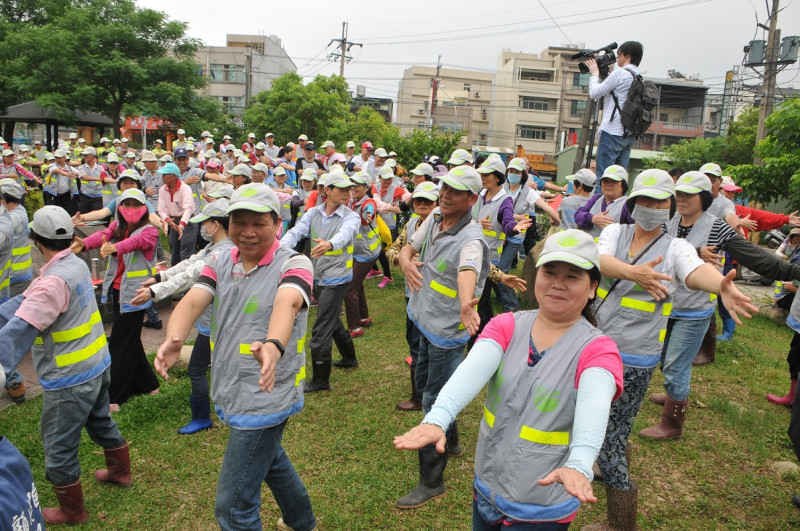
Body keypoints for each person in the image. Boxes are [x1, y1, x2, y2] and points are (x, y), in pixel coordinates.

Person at [395, 229, 623, 528]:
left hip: (543, 503)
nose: (557, 283)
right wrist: (438, 417)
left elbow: (594, 406)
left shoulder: (598, 350)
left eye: (572, 276)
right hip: (487, 486)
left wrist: (580, 463)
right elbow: (470, 371)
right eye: (549, 272)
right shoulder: (506, 325)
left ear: (593, 287)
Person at [587, 169, 758, 528]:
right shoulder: (614, 232)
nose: (650, 207)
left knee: (610, 438)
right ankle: (613, 459)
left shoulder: (676, 247)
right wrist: (637, 274)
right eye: (643, 201)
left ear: (670, 206)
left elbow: (695, 271)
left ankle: (621, 522)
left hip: (636, 358)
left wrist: (721, 287)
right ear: (632, 204)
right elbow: (598, 261)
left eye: (659, 201)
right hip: (598, 347)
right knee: (606, 423)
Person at [155, 183, 317, 531]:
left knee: (233, 509)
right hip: (232, 387)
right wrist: (175, 336)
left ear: (278, 223)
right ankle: (302, 523)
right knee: (271, 460)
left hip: (266, 395)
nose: (247, 232)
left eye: (258, 223)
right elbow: (194, 299)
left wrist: (273, 345)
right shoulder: (220, 259)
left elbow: (286, 301)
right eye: (238, 222)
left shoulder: (295, 263)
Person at [640, 171, 800, 439]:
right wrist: (697, 250)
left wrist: (794, 272)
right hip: (666, 305)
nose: (681, 199)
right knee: (667, 360)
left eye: (688, 194)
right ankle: (672, 394)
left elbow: (756, 258)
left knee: (676, 364)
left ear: (703, 197)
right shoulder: (668, 220)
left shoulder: (716, 226)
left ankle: (672, 424)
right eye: (678, 193)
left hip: (694, 309)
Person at [0, 205, 131, 525]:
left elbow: (18, 333)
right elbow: (28, 300)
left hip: (70, 380)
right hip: (98, 365)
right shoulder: (75, 265)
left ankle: (72, 511)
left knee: (58, 447)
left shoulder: (51, 283)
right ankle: (120, 472)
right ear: (70, 237)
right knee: (100, 421)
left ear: (34, 240)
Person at [396, 165, 489, 509]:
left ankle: (431, 481)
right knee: (427, 386)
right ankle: (452, 442)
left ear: (471, 199)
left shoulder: (472, 239)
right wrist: (406, 261)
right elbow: (411, 247)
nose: (445, 194)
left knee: (434, 397)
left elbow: (468, 268)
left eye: (455, 191)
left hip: (447, 330)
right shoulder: (435, 215)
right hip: (423, 315)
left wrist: (467, 303)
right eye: (444, 188)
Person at [132, 200, 235, 433]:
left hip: (219, 326)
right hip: (211, 325)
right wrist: (160, 278)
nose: (202, 228)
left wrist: (154, 291)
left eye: (205, 223)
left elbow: (191, 275)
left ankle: (206, 417)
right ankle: (210, 415)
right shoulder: (213, 248)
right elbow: (189, 264)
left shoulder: (223, 252)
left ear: (216, 225)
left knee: (201, 369)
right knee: (210, 368)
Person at [72, 188, 160, 410]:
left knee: (120, 342)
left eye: (135, 205)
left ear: (144, 208)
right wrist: (84, 244)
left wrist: (115, 247)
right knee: (130, 339)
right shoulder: (118, 226)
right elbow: (102, 236)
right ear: (120, 207)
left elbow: (135, 243)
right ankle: (148, 384)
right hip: (118, 291)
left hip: (137, 294)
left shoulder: (150, 231)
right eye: (126, 205)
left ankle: (115, 395)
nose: (131, 209)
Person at [280, 172, 360, 390]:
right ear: (327, 190)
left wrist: (330, 244)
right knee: (331, 319)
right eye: (341, 189)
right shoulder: (312, 213)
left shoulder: (351, 217)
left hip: (338, 279)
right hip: (320, 276)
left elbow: (345, 234)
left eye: (348, 189)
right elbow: (296, 232)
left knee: (321, 328)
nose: (347, 193)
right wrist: (278, 248)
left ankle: (320, 381)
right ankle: (349, 358)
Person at [473, 155, 531, 332]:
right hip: (471, 252)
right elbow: (468, 216)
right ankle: (488, 331)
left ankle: (484, 335)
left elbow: (507, 222)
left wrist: (514, 227)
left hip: (490, 258)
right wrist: (476, 222)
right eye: (481, 173)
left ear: (498, 177)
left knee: (481, 299)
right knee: (479, 299)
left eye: (487, 174)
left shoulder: (505, 201)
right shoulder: (478, 194)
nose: (482, 178)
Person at [498, 157, 559, 312]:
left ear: (523, 174)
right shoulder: (501, 188)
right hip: (499, 236)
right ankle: (503, 298)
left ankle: (512, 305)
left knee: (501, 270)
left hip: (515, 238)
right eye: (511, 171)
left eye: (517, 172)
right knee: (494, 269)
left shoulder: (528, 192)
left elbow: (545, 206)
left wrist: (557, 219)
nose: (513, 174)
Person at [586, 41, 644, 182]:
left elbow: (594, 93)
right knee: (619, 179)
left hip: (612, 132)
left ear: (627, 55)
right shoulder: (638, 76)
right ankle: (619, 204)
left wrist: (594, 74)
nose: (617, 57)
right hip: (628, 133)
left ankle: (602, 204)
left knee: (604, 178)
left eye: (619, 54)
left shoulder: (620, 74)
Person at [344, 172, 381, 340]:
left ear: (366, 187)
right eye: (352, 185)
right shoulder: (352, 202)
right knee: (357, 285)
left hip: (367, 253)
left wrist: (368, 215)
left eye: (357, 185)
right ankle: (364, 318)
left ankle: (355, 327)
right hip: (359, 252)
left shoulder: (368, 203)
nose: (353, 188)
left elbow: (369, 212)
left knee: (350, 287)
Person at [574, 165, 634, 239]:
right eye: (605, 181)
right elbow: (578, 215)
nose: (608, 184)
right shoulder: (596, 198)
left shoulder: (627, 205)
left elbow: (634, 229)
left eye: (614, 181)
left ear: (623, 185)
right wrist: (592, 218)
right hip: (589, 246)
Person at [157, 162, 196, 266]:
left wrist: (182, 225)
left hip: (188, 221)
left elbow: (188, 208)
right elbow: (161, 209)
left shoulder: (185, 188)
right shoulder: (162, 189)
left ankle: (186, 275)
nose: (162, 177)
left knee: (186, 249)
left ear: (173, 176)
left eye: (165, 175)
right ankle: (174, 274)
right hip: (173, 221)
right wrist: (168, 220)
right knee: (174, 247)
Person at [0, 179, 33, 298]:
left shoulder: (14, 218)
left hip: (15, 276)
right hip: (14, 274)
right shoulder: (17, 209)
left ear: (4, 199)